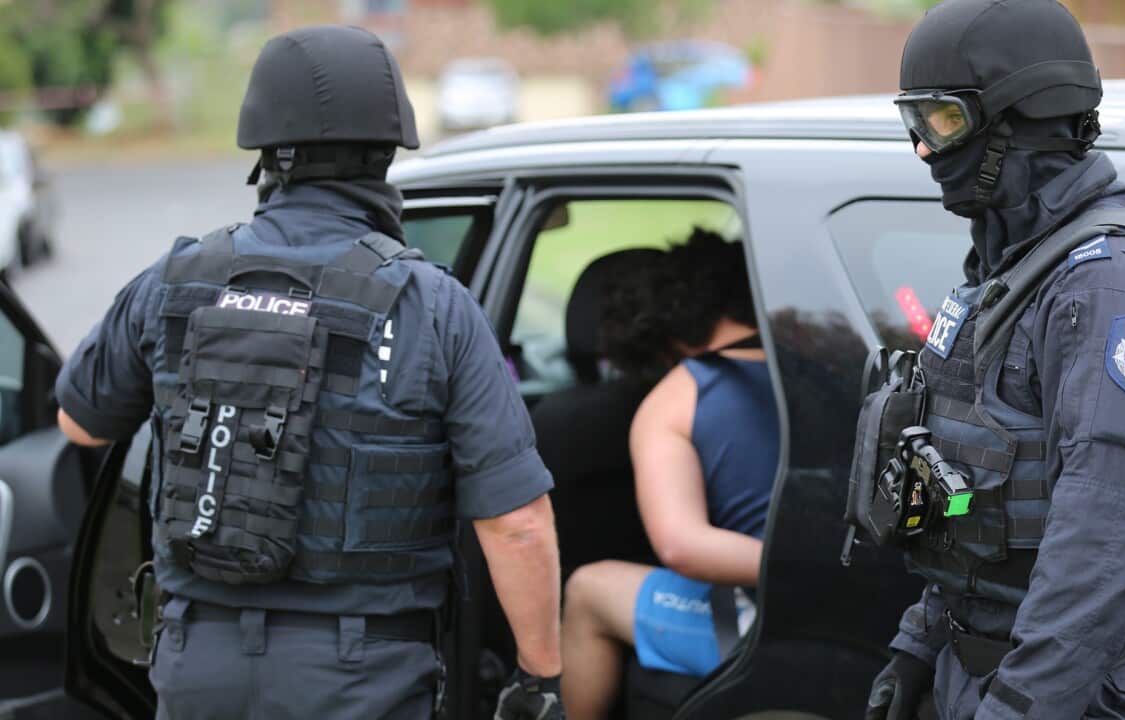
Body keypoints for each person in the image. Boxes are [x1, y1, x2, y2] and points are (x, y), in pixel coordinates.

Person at [54, 26, 563, 720]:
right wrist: (539, 680)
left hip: (195, 665)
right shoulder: (432, 305)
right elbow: (518, 525)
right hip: (362, 680)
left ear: (264, 152)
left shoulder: (172, 283)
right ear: (387, 151)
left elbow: (78, 424)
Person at [855, 1, 1125, 718]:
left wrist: (1020, 706)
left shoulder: (1110, 286)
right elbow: (966, 495)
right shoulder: (1012, 271)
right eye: (916, 124)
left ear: (1022, 118)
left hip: (1072, 692)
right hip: (985, 667)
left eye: (942, 121)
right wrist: (918, 649)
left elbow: (1106, 537)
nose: (925, 150)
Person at [561, 230, 780, 719]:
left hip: (771, 617)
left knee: (588, 590)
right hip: (872, 603)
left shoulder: (676, 398)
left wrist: (806, 562)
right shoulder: (817, 363)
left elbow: (682, 546)